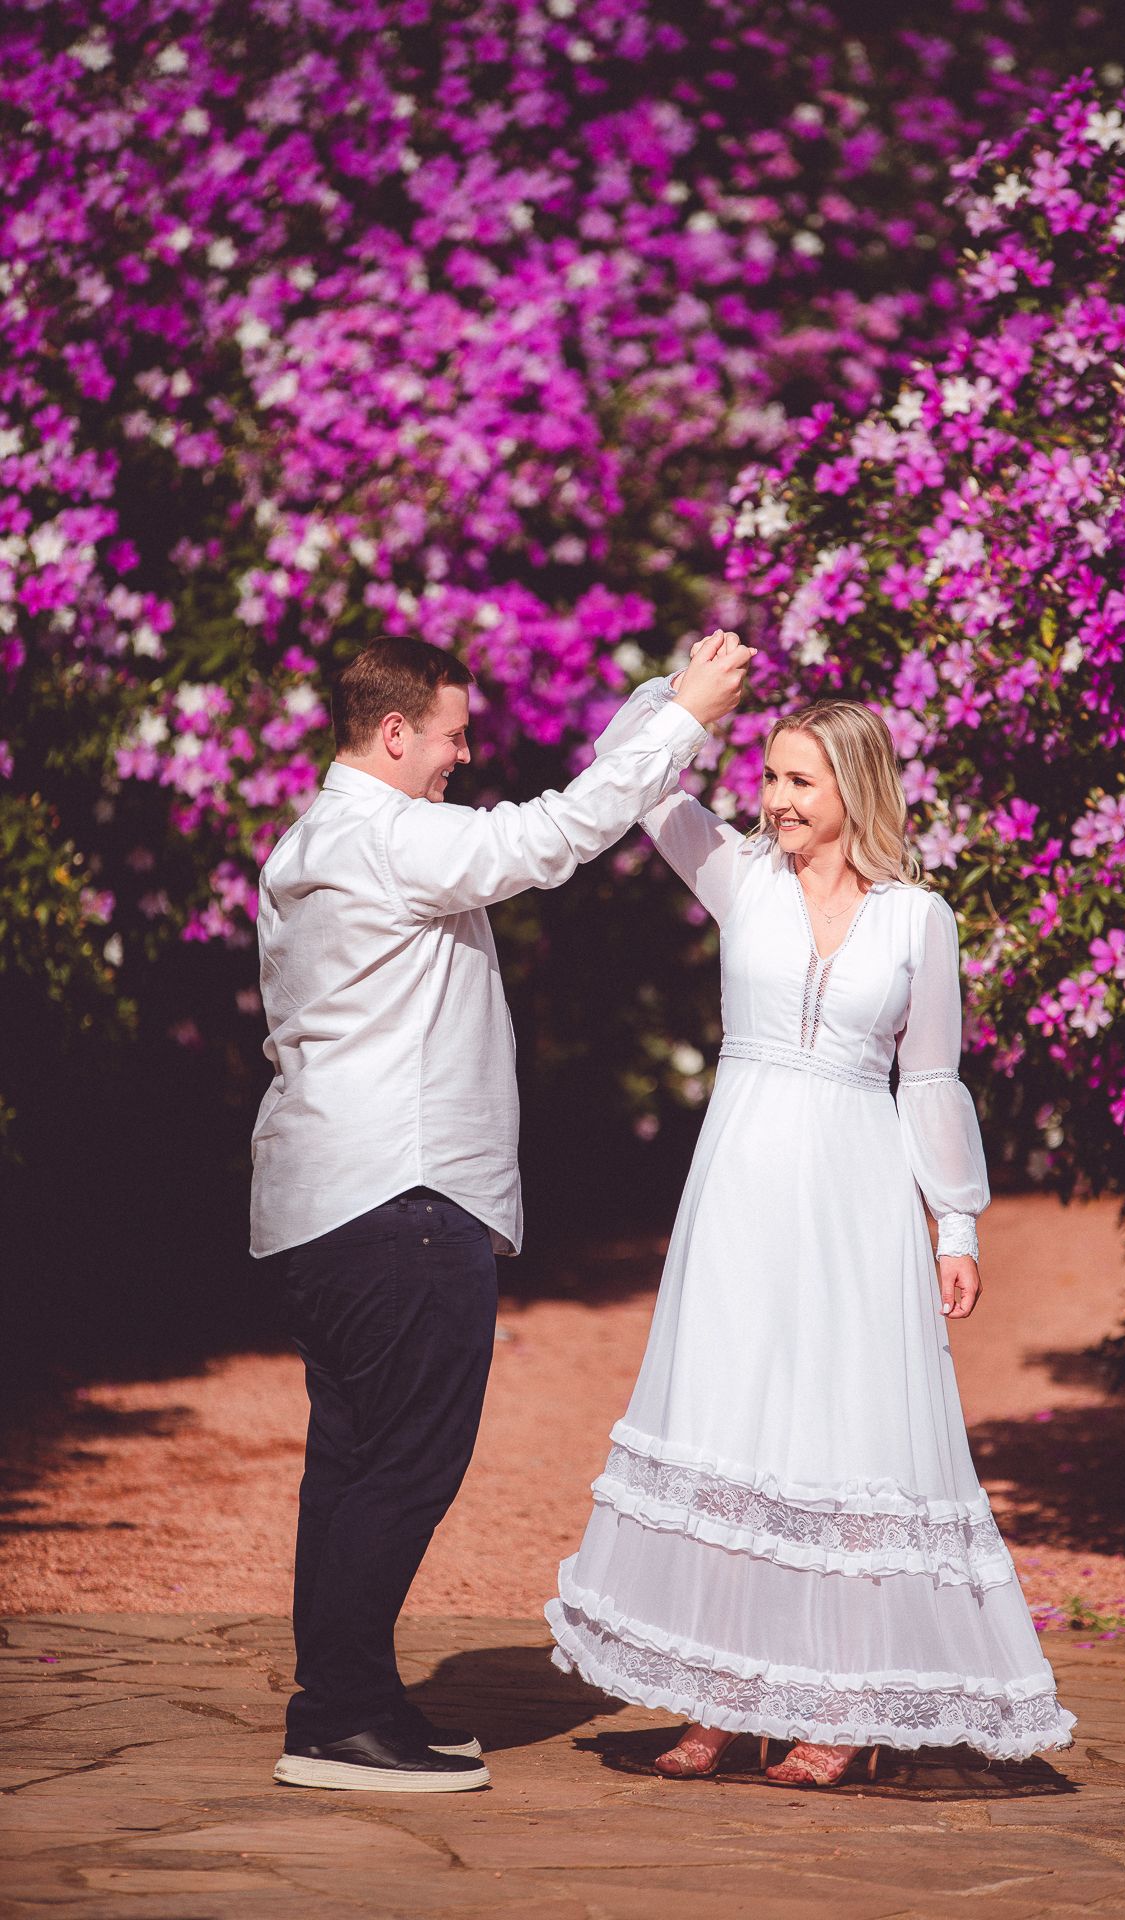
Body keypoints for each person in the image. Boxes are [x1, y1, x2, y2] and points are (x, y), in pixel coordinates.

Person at [547, 668, 1075, 1784]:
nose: (774, 797)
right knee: (732, 1420)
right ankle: (713, 1699)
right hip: (739, 1187)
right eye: (768, 775)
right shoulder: (736, 874)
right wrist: (682, 690)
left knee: (838, 1433)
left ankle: (835, 1711)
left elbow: (929, 1078)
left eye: (797, 779)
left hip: (855, 1198)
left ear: (854, 787)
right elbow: (628, 772)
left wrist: (956, 1228)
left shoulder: (915, 920)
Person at [252, 629, 754, 1793]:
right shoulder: (387, 838)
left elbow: (557, 814)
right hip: (400, 1200)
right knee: (406, 1468)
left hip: (330, 1202)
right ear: (393, 732)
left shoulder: (315, 837)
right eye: (451, 735)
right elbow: (555, 835)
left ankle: (349, 1699)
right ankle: (337, 1723)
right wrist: (682, 722)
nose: (460, 758)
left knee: (352, 1465)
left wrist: (655, 708)